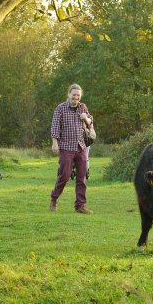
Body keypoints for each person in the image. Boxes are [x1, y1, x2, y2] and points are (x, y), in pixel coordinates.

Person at [50, 83, 94, 214]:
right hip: (66, 147)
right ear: (69, 94)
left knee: (82, 177)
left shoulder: (83, 107)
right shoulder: (60, 108)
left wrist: (86, 118)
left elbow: (90, 122)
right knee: (64, 175)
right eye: (74, 95)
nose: (76, 97)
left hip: (81, 147)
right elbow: (55, 126)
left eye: (78, 95)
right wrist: (55, 142)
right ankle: (54, 198)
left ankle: (80, 205)